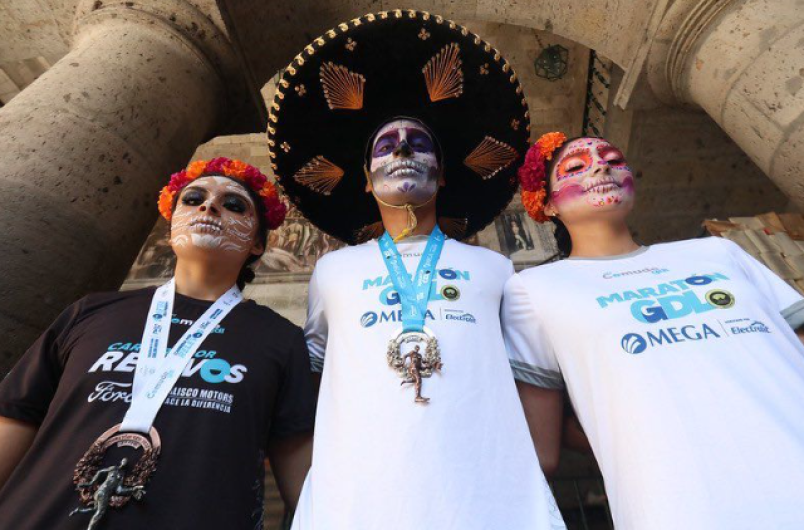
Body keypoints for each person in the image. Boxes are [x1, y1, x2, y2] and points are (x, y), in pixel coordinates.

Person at [267, 10, 565, 530]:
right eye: (386, 146)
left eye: (419, 143)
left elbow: (530, 376)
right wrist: (319, 489)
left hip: (489, 501)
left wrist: (524, 472)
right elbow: (308, 383)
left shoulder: (495, 266)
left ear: (442, 175)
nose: (403, 148)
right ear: (365, 180)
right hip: (361, 504)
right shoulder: (332, 270)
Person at [503, 133, 804, 529]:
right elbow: (544, 449)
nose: (601, 166)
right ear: (547, 203)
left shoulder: (719, 253)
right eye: (576, 167)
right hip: (684, 507)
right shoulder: (532, 289)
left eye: (613, 159)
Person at [0, 157, 316, 529]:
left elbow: (304, 476)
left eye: (233, 205)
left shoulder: (280, 338)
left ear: (259, 243)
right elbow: (17, 418)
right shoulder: (90, 312)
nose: (208, 207)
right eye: (192, 199)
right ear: (169, 229)